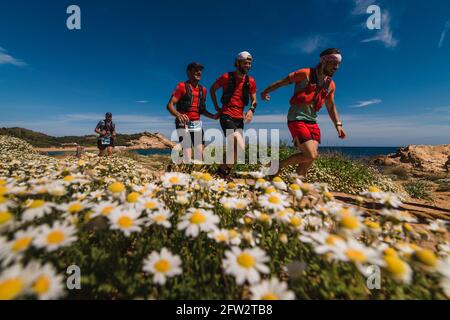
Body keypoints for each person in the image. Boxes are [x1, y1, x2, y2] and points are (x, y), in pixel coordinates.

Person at [260, 48, 347, 178]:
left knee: (309, 158)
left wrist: (338, 125)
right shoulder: (305, 73)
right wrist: (265, 92)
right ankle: (277, 166)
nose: (337, 67)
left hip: (312, 121)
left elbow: (331, 106)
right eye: (334, 63)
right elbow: (282, 82)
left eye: (339, 64)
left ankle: (297, 184)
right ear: (324, 61)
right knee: (311, 154)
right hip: (297, 118)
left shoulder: (330, 85)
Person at [210, 51, 257, 177]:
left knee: (235, 149)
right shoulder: (226, 77)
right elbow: (212, 89)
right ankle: (222, 170)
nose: (248, 66)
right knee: (241, 146)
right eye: (245, 63)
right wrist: (217, 107)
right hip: (226, 116)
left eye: (250, 63)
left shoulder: (251, 81)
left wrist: (251, 110)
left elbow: (254, 100)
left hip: (239, 119)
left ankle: (222, 172)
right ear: (237, 63)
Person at [167, 62, 218, 163]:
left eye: (200, 70)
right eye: (196, 69)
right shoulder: (182, 86)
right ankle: (186, 174)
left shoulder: (203, 90)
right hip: (183, 122)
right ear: (189, 72)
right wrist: (178, 114)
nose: (199, 72)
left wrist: (213, 116)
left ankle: (198, 175)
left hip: (196, 123)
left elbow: (202, 110)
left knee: (201, 155)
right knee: (188, 153)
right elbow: (169, 105)